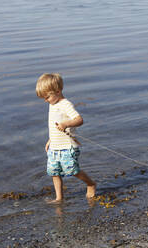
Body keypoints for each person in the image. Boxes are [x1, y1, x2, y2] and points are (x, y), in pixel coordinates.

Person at [36, 73, 96, 204]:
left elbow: (79, 120)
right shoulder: (52, 104)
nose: (46, 100)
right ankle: (59, 198)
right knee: (54, 172)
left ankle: (90, 184)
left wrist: (66, 124)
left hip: (67, 146)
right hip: (54, 147)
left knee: (73, 171)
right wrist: (50, 140)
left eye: (47, 97)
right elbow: (53, 125)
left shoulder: (65, 104)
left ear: (58, 91)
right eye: (44, 98)